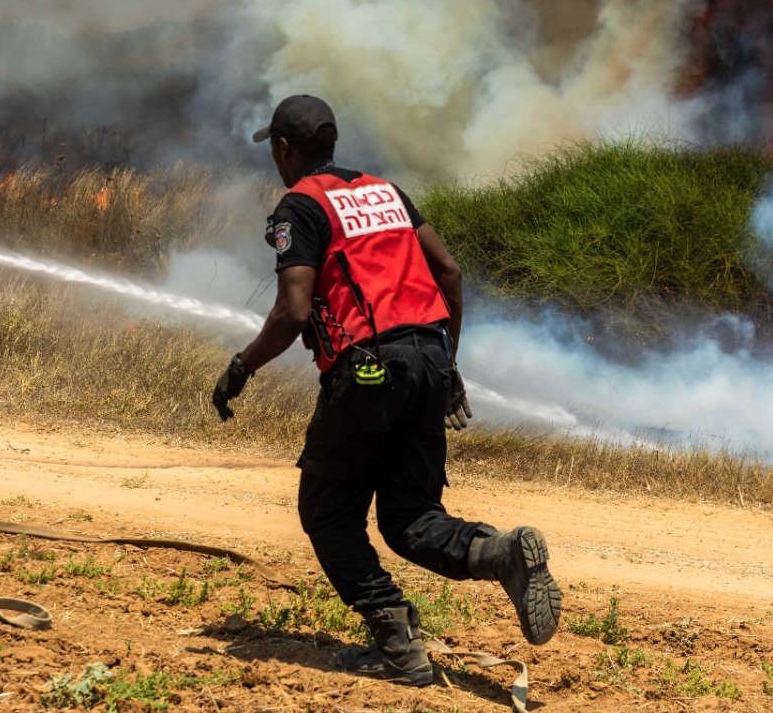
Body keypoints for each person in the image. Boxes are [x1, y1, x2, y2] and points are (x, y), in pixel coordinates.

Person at [211, 94, 561, 686]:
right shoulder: (385, 191)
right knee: (411, 518)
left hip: (369, 369)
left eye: (274, 151)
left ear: (284, 149)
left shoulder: (299, 207)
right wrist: (447, 366)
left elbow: (293, 312)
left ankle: (399, 643)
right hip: (429, 357)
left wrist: (242, 368)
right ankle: (500, 553)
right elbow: (447, 271)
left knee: (327, 513)